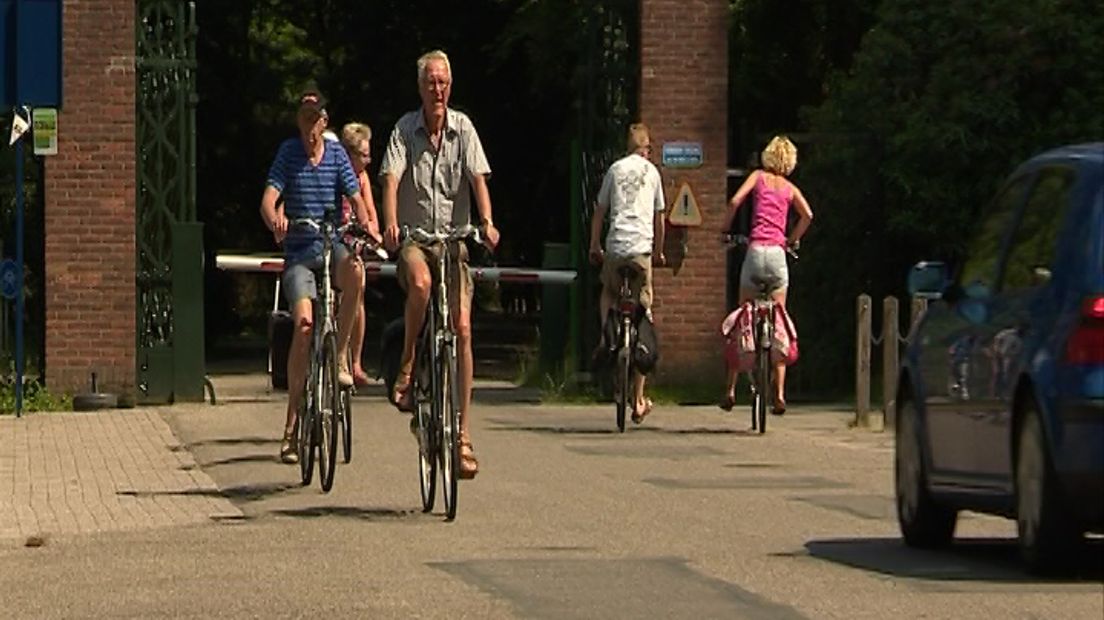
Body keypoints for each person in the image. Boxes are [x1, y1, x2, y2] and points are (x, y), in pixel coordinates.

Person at [380, 50, 499, 479]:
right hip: (416, 241)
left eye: (444, 82)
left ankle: (463, 435)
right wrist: (391, 224)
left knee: (463, 329)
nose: (438, 90)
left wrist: (486, 222)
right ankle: (409, 364)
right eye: (431, 82)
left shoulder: (463, 128)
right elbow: (391, 180)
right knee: (421, 283)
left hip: (454, 243)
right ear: (420, 87)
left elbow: (477, 180)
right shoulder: (403, 131)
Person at [260, 91, 374, 464]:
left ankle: (341, 355)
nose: (311, 127)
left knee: (355, 271)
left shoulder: (337, 155)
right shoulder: (288, 154)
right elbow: (269, 198)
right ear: (299, 120)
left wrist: (363, 226)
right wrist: (274, 218)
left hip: (332, 245)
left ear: (325, 122)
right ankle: (292, 428)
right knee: (304, 326)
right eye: (305, 118)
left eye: (317, 119)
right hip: (299, 251)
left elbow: (355, 197)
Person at [720, 135, 813, 414]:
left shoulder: (758, 177)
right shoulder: (789, 187)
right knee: (779, 322)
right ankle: (780, 393)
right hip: (777, 255)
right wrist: (792, 239)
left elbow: (736, 201)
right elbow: (808, 214)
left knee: (742, 317)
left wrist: (725, 230)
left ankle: (730, 389)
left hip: (755, 251)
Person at [588, 123, 666, 423]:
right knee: (643, 308)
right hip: (640, 252)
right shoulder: (653, 173)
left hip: (616, 247)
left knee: (608, 290)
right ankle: (638, 400)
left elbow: (600, 211)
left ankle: (607, 334)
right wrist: (657, 252)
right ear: (646, 148)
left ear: (627, 146)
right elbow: (659, 219)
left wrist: (596, 245)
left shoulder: (614, 170)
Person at [338, 121, 382, 387]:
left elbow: (371, 213)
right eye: (364, 155)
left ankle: (355, 360)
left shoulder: (362, 178)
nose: (369, 160)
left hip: (354, 239)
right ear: (349, 155)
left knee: (359, 289)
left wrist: (374, 231)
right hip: (336, 237)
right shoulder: (335, 173)